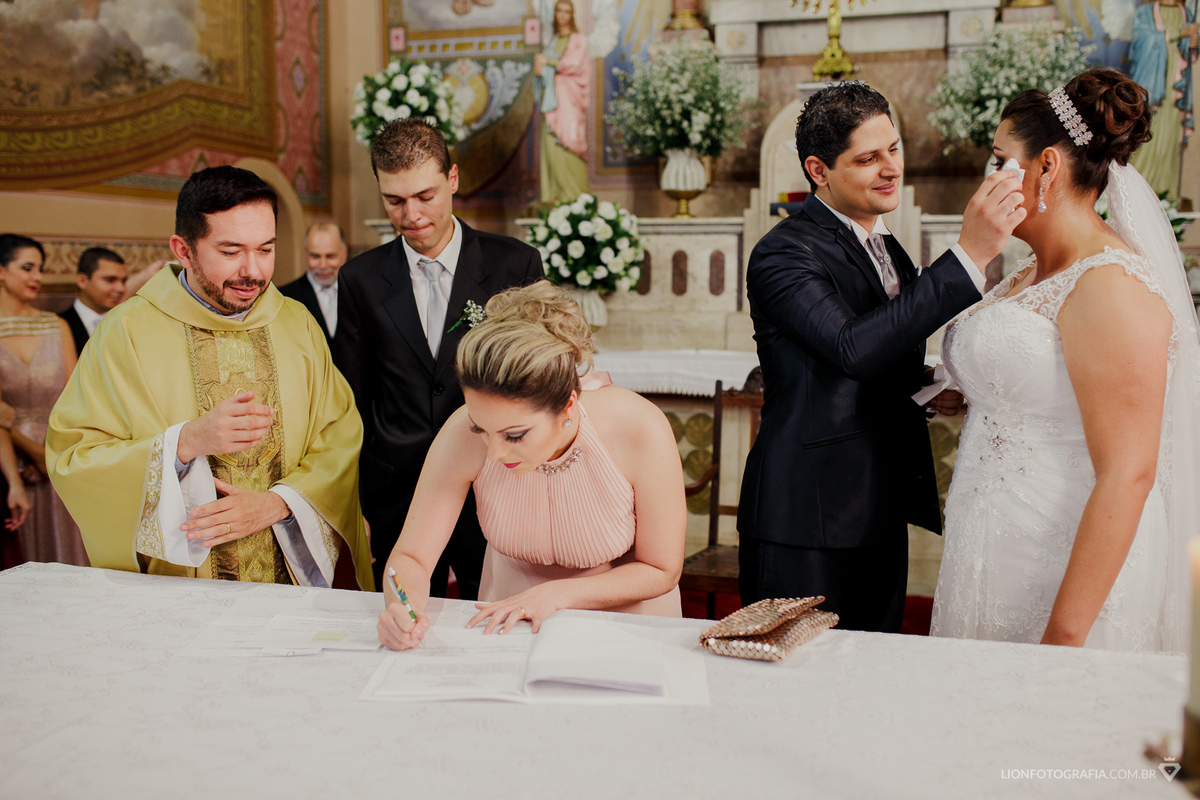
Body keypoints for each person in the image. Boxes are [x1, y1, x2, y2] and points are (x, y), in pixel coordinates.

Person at [737, 81, 1026, 632]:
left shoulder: (884, 243)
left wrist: (924, 383)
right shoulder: (782, 252)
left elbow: (878, 347)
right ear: (818, 170)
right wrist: (969, 256)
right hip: (806, 516)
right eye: (867, 159)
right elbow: (851, 347)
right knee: (792, 689)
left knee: (873, 681)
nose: (890, 168)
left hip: (878, 506)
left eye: (892, 149)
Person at [931, 68, 1200, 652]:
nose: (987, 178)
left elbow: (1129, 472)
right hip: (991, 546)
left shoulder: (1111, 284)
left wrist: (1065, 635)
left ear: (1046, 167)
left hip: (1061, 566)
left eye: (998, 160)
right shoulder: (1030, 269)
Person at [46, 166, 373, 588]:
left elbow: (339, 436)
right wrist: (184, 443)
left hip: (290, 580)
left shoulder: (296, 323)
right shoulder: (126, 332)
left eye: (266, 249)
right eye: (231, 251)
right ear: (183, 250)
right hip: (181, 586)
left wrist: (278, 503)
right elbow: (75, 456)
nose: (253, 271)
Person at [376, 281, 684, 650]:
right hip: (508, 620)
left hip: (629, 618)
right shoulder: (461, 433)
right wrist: (401, 608)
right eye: (481, 429)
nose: (493, 453)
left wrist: (554, 595)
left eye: (515, 435)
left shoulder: (638, 427)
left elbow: (661, 568)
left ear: (567, 407)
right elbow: (410, 557)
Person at [335, 118, 543, 596]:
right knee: (401, 620)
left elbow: (535, 389)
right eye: (395, 200)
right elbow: (352, 400)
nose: (411, 215)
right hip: (396, 493)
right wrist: (356, 503)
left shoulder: (516, 264)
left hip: (493, 481)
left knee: (491, 621)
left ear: (452, 179)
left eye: (425, 196)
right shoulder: (360, 280)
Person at [0, 234, 87, 567]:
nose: (37, 277)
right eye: (27, 267)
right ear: (2, 272)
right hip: (11, 463)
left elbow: (77, 401)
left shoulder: (56, 326)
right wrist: (33, 454)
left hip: (61, 456)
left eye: (40, 268)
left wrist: (53, 455)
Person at [1127, 0, 1197, 196]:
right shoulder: (1145, 12)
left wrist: (1192, 42)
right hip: (1152, 89)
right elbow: (1142, 43)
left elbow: (1189, 52)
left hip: (1175, 94)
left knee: (1169, 143)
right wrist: (1178, 34)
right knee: (1144, 141)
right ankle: (1136, 195)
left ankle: (1166, 196)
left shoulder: (1185, 13)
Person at [534, 0, 590, 203]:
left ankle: (577, 197)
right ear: (555, 13)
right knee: (551, 145)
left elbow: (574, 64)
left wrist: (547, 62)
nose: (563, 15)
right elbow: (540, 71)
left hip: (569, 100)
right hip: (551, 102)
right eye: (560, 10)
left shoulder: (579, 40)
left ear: (572, 14)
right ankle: (555, 196)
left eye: (567, 11)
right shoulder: (552, 41)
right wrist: (539, 70)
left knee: (570, 140)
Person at [279, 222, 346, 343]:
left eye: (330, 256)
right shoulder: (283, 298)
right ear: (306, 254)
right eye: (315, 256)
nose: (323, 265)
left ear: (344, 254)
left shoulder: (358, 294)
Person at [59, 247, 129, 356]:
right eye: (110, 280)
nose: (121, 288)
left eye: (123, 281)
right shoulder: (61, 325)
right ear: (82, 281)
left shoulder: (126, 322)